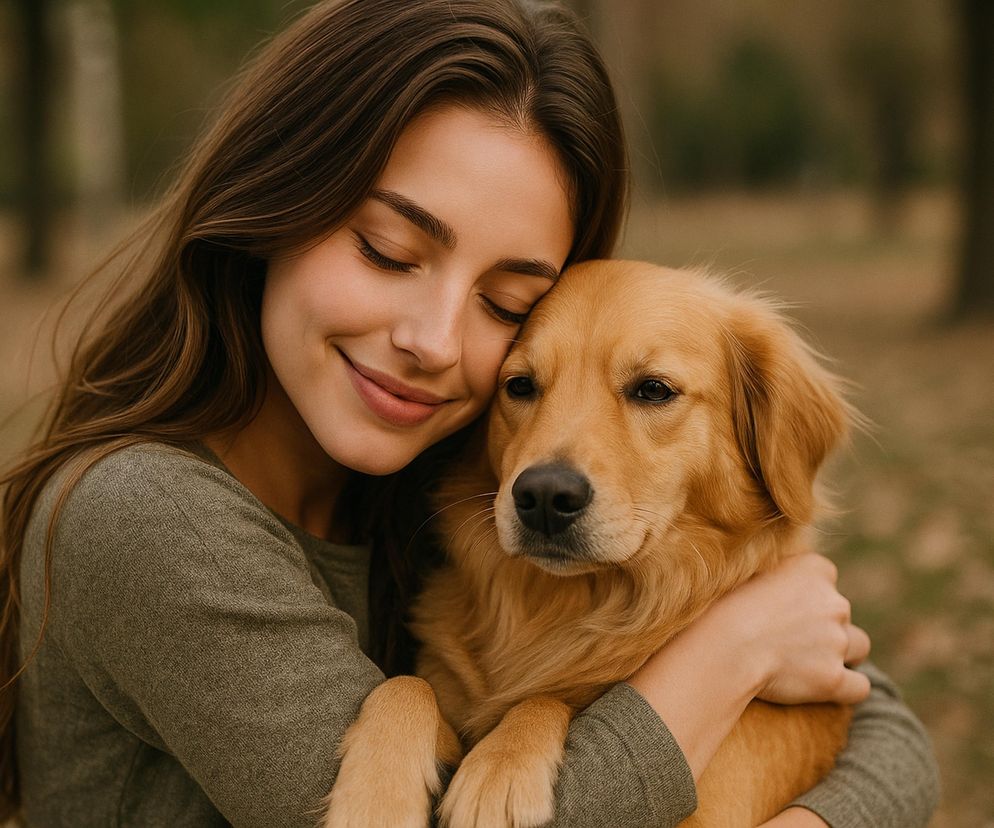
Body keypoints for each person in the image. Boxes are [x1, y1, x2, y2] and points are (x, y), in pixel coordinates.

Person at [0, 1, 939, 826]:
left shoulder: (436, 478)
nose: (437, 342)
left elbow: (888, 731)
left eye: (504, 304)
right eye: (387, 249)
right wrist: (728, 656)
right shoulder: (147, 516)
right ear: (271, 199)